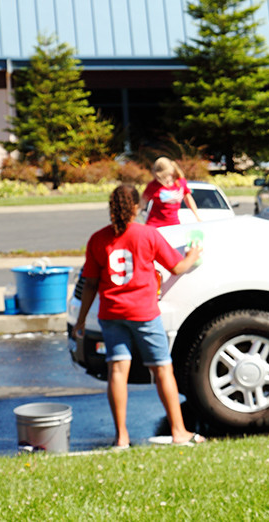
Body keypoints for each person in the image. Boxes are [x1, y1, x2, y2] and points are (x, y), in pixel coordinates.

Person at [74, 184, 205, 448]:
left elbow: (89, 284)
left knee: (117, 372)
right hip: (144, 313)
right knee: (162, 369)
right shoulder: (148, 235)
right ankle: (179, 432)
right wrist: (192, 254)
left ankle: (121, 437)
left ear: (112, 208)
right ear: (136, 207)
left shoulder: (98, 239)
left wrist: (81, 320)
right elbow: (177, 266)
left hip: (111, 313)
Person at [142, 157, 201, 228]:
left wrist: (197, 216)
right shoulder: (153, 185)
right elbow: (142, 203)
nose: (159, 179)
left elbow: (188, 198)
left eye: (162, 176)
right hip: (155, 225)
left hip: (173, 224)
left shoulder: (180, 182)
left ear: (171, 172)